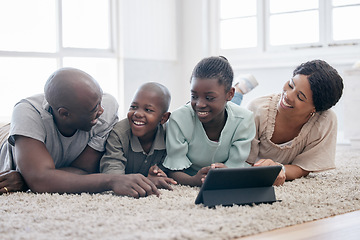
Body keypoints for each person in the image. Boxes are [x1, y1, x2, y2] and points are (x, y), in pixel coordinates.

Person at [0, 67, 159, 198]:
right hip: (5, 136)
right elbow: (41, 181)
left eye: (99, 101)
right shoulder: (27, 112)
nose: (101, 110)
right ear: (64, 113)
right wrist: (112, 180)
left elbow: (83, 170)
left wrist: (28, 179)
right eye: (93, 109)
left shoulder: (107, 108)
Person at [246, 59, 344, 186]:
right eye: (291, 85)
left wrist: (279, 169)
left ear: (315, 108)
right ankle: (238, 89)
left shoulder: (324, 121)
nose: (288, 96)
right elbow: (242, 162)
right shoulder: (257, 109)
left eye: (300, 97)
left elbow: (304, 166)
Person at [162, 56, 256, 187]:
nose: (200, 104)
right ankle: (238, 88)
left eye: (209, 97)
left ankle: (240, 88)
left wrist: (226, 174)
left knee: (230, 108)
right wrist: (193, 180)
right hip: (192, 173)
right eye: (194, 96)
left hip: (228, 110)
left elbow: (236, 167)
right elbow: (173, 171)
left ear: (229, 94)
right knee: (215, 108)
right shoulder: (178, 120)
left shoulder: (244, 120)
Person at [100, 82, 177, 189]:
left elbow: (168, 167)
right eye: (134, 107)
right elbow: (112, 169)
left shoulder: (169, 135)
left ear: (163, 118)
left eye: (148, 110)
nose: (138, 113)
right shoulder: (119, 133)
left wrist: (157, 175)